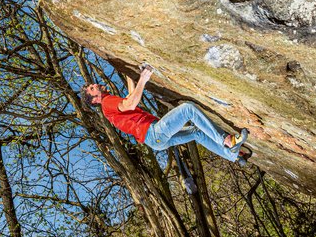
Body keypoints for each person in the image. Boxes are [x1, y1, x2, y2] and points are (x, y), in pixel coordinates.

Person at [80, 65, 251, 165]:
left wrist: (130, 76)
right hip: (153, 133)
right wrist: (144, 78)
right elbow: (131, 103)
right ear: (94, 99)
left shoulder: (109, 107)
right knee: (187, 109)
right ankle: (226, 141)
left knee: (196, 132)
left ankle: (233, 155)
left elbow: (130, 100)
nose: (95, 84)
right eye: (92, 88)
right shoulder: (107, 102)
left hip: (155, 141)